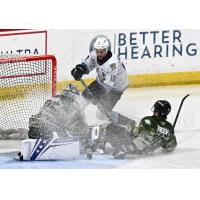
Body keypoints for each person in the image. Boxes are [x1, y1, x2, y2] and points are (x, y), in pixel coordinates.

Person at [71, 35, 135, 129]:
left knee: (101, 114)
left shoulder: (112, 64)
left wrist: (97, 96)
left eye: (102, 52)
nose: (99, 54)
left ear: (107, 50)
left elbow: (107, 86)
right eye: (97, 51)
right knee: (82, 101)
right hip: (101, 82)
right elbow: (87, 65)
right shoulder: (94, 54)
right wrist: (80, 69)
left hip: (116, 88)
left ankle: (129, 122)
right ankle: (75, 124)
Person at [96, 100, 177, 159]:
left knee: (108, 126)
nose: (154, 111)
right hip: (145, 151)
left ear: (158, 112)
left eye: (156, 109)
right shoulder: (169, 127)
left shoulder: (148, 120)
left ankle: (98, 146)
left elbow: (135, 133)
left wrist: (131, 129)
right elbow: (171, 147)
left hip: (131, 146)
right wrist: (163, 141)